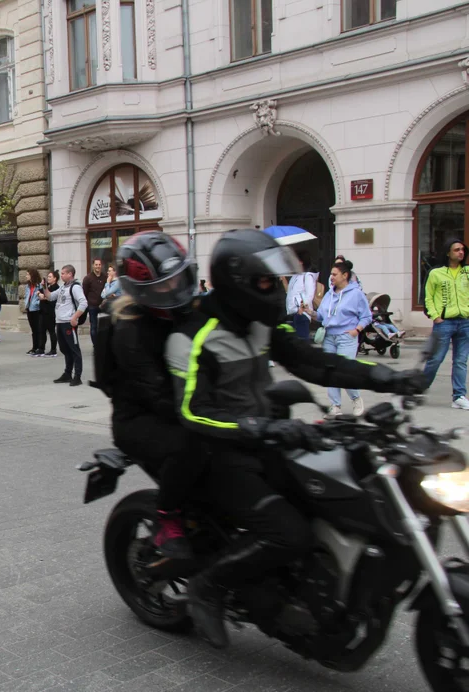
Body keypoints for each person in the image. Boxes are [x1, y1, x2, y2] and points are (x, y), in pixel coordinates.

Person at [164, 229, 425, 649]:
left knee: (339, 498)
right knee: (289, 532)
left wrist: (385, 378)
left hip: (268, 440)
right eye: (269, 282)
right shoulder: (193, 336)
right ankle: (207, 587)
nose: (277, 290)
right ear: (239, 282)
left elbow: (312, 361)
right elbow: (193, 413)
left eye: (279, 281)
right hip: (218, 455)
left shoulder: (259, 324)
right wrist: (259, 428)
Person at [107, 232, 201, 560]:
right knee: (189, 443)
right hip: (139, 418)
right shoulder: (130, 330)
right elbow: (156, 391)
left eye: (177, 280)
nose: (173, 289)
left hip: (182, 401)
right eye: (164, 284)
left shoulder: (185, 311)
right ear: (141, 289)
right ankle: (167, 517)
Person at [316, 259, 371, 417]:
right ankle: (335, 406)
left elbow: (366, 316)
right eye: (331, 274)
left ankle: (356, 398)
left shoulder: (356, 294)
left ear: (345, 275)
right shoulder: (329, 293)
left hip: (347, 337)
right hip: (329, 337)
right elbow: (321, 315)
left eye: (335, 274)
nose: (331, 277)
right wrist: (309, 311)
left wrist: (356, 330)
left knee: (344, 371)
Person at [424, 236, 469, 410]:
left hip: (464, 322)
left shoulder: (467, 272)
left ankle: (459, 396)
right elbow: (428, 297)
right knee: (435, 359)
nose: (461, 252)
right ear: (448, 253)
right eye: (457, 249)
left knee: (461, 361)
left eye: (462, 250)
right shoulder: (436, 273)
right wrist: (435, 316)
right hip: (444, 323)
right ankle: (419, 389)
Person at [41, 265, 87, 386]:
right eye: (61, 273)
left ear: (70, 274)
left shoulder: (75, 287)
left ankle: (77, 376)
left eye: (63, 273)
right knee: (64, 349)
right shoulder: (62, 287)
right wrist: (44, 287)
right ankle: (67, 373)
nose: (61, 275)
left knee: (74, 349)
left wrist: (75, 317)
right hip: (60, 322)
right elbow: (50, 297)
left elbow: (84, 302)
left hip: (68, 323)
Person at [285, 252, 318, 341]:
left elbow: (309, 294)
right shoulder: (295, 276)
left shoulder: (307, 276)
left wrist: (302, 308)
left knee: (302, 342)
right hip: (292, 313)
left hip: (301, 313)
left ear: (300, 262)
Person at [82, 258, 107, 344]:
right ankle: (95, 345)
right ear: (93, 266)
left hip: (103, 305)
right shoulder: (88, 278)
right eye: (96, 265)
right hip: (92, 306)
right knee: (94, 326)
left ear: (101, 266)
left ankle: (103, 343)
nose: (98, 266)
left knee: (104, 325)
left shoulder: (105, 277)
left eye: (99, 265)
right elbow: (84, 292)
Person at [21, 270, 44, 356]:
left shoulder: (39, 285)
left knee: (38, 329)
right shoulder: (28, 286)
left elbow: (42, 296)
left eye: (28, 274)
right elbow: (27, 296)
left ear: (32, 275)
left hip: (36, 309)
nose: (26, 276)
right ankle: (34, 347)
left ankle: (39, 347)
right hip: (29, 309)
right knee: (33, 330)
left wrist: (36, 303)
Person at [40, 271, 60, 358]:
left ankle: (53, 349)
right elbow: (40, 292)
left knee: (51, 331)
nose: (48, 278)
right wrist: (40, 293)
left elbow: (52, 299)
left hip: (51, 312)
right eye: (48, 277)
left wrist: (43, 297)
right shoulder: (47, 286)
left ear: (55, 278)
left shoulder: (56, 288)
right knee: (42, 331)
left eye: (50, 277)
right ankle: (41, 348)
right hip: (43, 311)